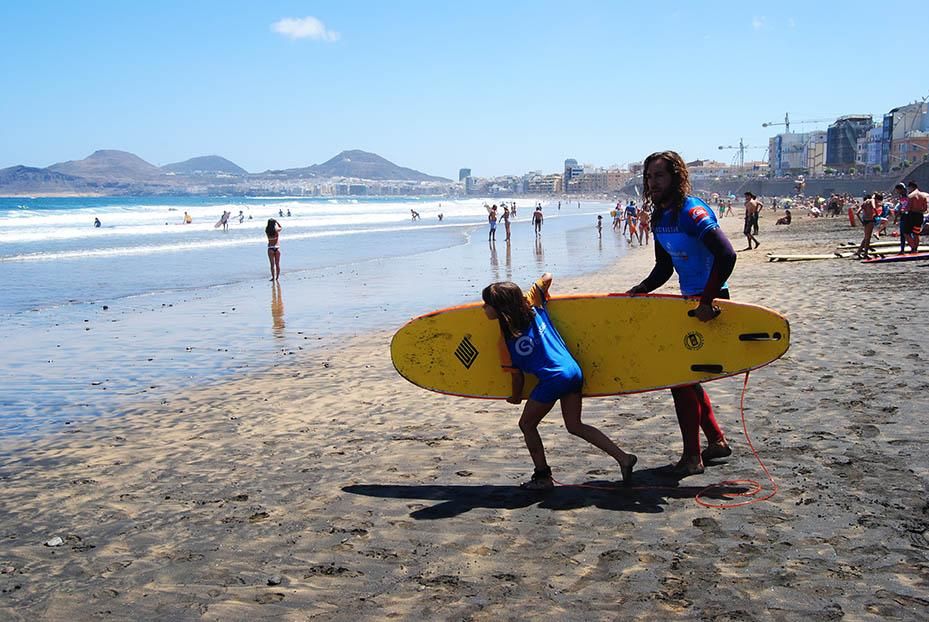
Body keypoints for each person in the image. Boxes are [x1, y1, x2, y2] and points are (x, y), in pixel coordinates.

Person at [626, 150, 736, 476]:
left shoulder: (693, 212)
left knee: (680, 378)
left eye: (659, 176)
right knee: (686, 379)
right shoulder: (661, 216)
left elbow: (726, 255)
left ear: (676, 176)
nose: (652, 182)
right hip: (688, 303)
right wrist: (641, 288)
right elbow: (663, 267)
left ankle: (692, 458)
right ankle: (715, 441)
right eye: (648, 177)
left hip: (712, 303)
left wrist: (707, 300)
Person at [482, 273, 637, 489]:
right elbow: (547, 276)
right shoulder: (534, 307)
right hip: (573, 371)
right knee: (574, 425)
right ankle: (624, 458)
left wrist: (515, 398)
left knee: (526, 424)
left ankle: (543, 476)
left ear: (499, 309)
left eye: (486, 304)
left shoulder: (505, 342)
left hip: (554, 380)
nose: (483, 308)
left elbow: (517, 378)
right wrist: (537, 293)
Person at [854, 194, 881, 258]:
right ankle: (865, 253)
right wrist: (877, 214)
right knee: (868, 238)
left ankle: (859, 251)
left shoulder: (864, 202)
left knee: (866, 237)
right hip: (870, 220)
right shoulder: (872, 200)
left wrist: (861, 221)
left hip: (865, 221)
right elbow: (874, 207)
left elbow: (857, 213)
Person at [905, 181, 927, 253]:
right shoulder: (923, 196)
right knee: (916, 233)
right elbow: (925, 208)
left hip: (912, 215)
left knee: (906, 232)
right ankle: (916, 249)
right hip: (919, 215)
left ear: (911, 187)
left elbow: (908, 208)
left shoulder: (911, 196)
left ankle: (913, 247)